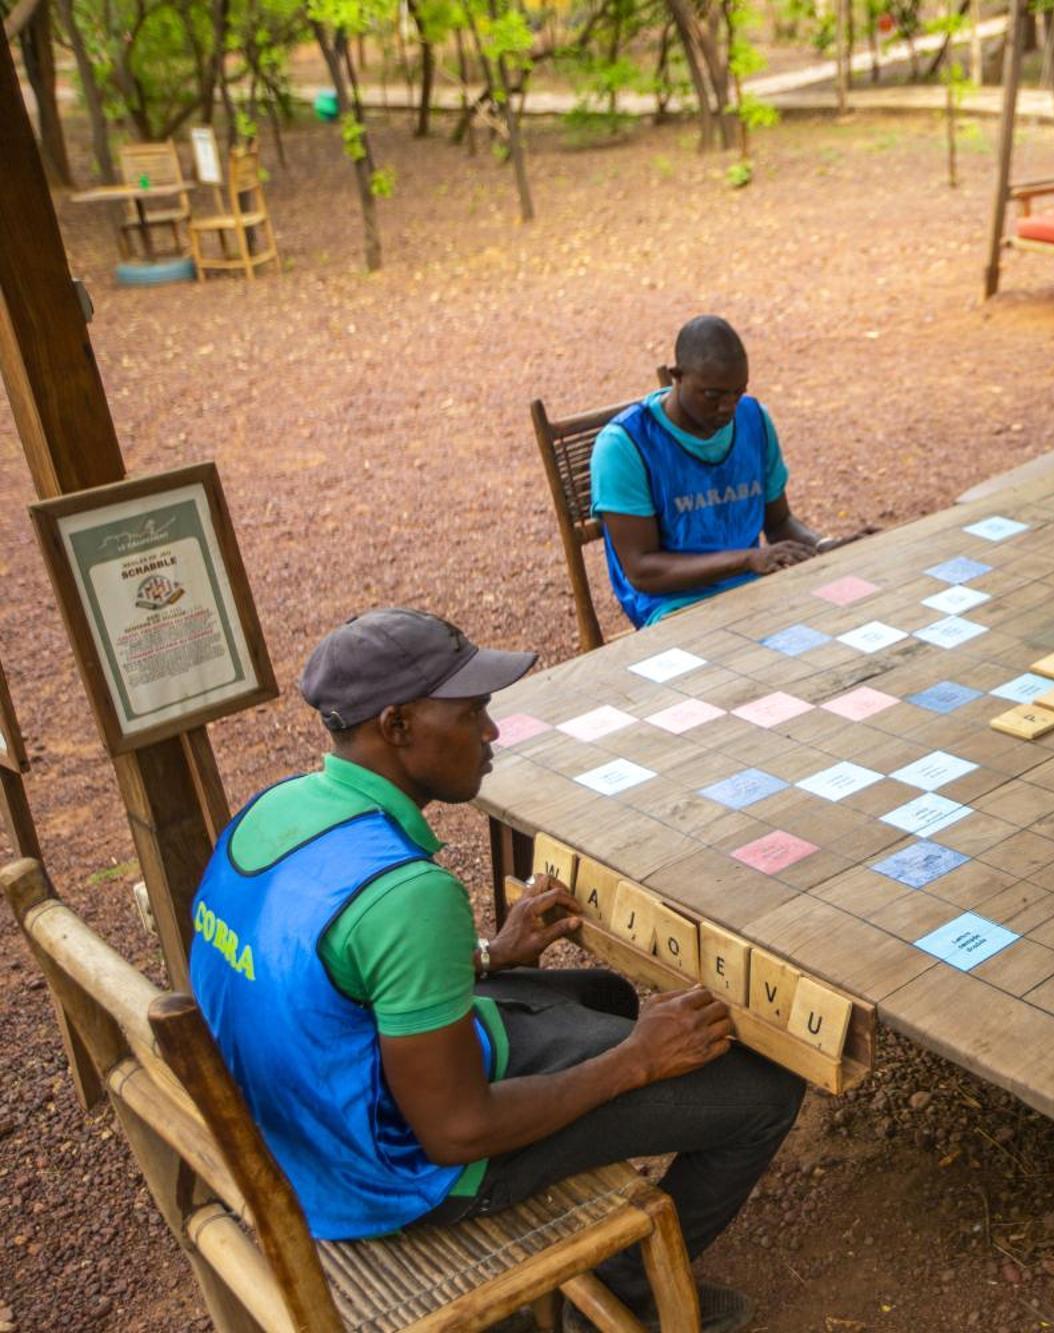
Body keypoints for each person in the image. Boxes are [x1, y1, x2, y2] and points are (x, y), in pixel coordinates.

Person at [189, 609, 801, 1332]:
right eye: (472, 711)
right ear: (397, 725)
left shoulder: (274, 807)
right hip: (391, 1176)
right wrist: (634, 1062)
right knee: (765, 1086)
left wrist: (487, 956)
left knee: (601, 993)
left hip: (309, 1117)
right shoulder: (411, 896)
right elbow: (458, 1130)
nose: (491, 731)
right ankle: (623, 1296)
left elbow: (335, 977)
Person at [592, 315, 853, 629]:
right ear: (677, 376)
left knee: (847, 622)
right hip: (674, 608)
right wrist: (747, 559)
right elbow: (642, 570)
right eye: (712, 396)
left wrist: (824, 546)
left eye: (737, 393)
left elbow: (779, 523)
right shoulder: (624, 445)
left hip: (755, 589)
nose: (728, 408)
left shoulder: (754, 418)